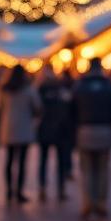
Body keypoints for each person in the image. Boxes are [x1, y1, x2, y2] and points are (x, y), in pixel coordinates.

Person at [73, 58, 111, 219]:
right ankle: (101, 202)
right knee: (103, 169)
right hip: (104, 129)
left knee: (86, 170)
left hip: (84, 128)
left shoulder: (80, 86)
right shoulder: (109, 86)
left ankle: (87, 202)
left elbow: (73, 109)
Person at [0, 65, 41, 204]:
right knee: (21, 161)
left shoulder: (3, 89)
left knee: (9, 160)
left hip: (8, 127)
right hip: (24, 127)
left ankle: (9, 191)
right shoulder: (28, 89)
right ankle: (19, 191)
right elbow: (37, 106)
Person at [36, 68, 75, 202]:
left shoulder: (41, 90)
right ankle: (61, 189)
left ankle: (42, 187)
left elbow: (36, 109)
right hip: (61, 129)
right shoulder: (62, 90)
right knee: (60, 161)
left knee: (43, 159)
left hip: (45, 128)